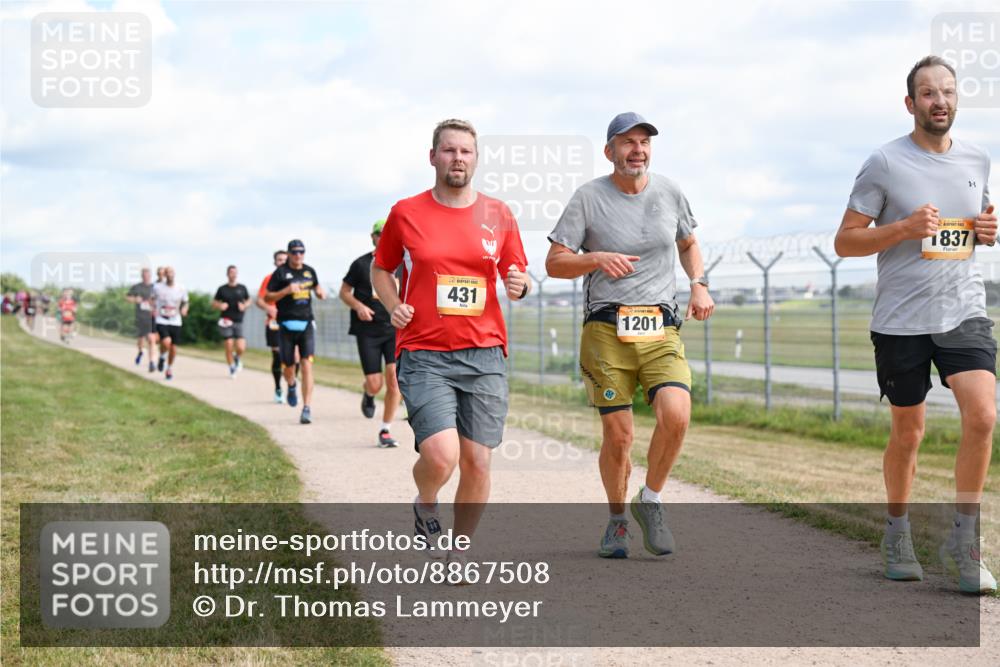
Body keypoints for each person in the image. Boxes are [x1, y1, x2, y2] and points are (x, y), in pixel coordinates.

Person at [834, 56, 997, 594]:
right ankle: (897, 531)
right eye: (928, 93)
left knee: (983, 415)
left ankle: (965, 540)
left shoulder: (978, 158)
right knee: (909, 432)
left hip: (963, 310)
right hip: (903, 320)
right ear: (911, 104)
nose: (940, 101)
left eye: (947, 92)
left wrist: (987, 228)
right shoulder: (884, 162)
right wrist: (902, 228)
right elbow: (846, 241)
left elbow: (973, 222)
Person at [546, 112, 714, 559]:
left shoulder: (670, 192)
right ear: (609, 151)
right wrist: (595, 258)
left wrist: (699, 283)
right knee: (619, 437)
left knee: (677, 414)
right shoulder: (587, 198)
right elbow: (555, 263)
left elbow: (688, 243)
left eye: (644, 142)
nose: (637, 150)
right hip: (605, 328)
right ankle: (617, 521)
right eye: (627, 142)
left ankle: (651, 501)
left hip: (660, 327)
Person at [372, 119, 530, 570]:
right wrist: (391, 304)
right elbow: (381, 269)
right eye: (449, 151)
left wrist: (520, 284)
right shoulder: (406, 213)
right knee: (442, 455)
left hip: (484, 352)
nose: (457, 158)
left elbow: (517, 275)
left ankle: (460, 551)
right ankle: (425, 503)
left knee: (477, 461)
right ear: (433, 157)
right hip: (424, 352)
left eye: (465, 151)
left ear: (475, 159)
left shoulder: (498, 214)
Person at [340, 219, 403, 448]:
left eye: (388, 233)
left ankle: (385, 429)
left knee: (394, 380)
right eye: (379, 233)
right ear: (373, 237)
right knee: (375, 384)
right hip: (368, 331)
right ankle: (368, 394)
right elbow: (344, 292)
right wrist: (358, 306)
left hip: (394, 329)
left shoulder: (403, 264)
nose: (383, 237)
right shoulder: (361, 264)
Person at [265, 240, 327, 424]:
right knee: (288, 367)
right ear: (289, 253)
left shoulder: (309, 270)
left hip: (306, 323)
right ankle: (291, 385)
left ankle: (306, 408)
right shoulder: (280, 273)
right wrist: (285, 290)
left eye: (301, 252)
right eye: (295, 252)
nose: (298, 255)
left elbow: (316, 287)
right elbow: (268, 296)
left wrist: (320, 292)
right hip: (285, 325)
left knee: (307, 364)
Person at [256, 250, 298, 402]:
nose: (282, 262)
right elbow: (259, 300)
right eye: (279, 260)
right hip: (274, 322)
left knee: (295, 356)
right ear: (275, 262)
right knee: (278, 355)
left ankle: (292, 386)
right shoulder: (269, 279)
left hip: (292, 321)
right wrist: (269, 308)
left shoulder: (295, 278)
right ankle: (278, 388)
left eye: (284, 259)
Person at [212, 265, 251, 378]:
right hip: (226, 320)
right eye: (231, 272)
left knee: (241, 347)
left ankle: (237, 358)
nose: (233, 274)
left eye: (235, 272)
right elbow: (214, 303)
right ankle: (231, 367)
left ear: (237, 274)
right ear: (227, 274)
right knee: (229, 344)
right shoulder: (222, 289)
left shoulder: (242, 288)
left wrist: (244, 305)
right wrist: (220, 305)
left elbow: (249, 300)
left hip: (239, 320)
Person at [152, 266, 189, 381]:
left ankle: (169, 368)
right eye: (167, 273)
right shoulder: (157, 287)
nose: (169, 275)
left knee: (173, 348)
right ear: (164, 275)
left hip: (176, 320)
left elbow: (186, 302)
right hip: (161, 319)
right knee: (166, 342)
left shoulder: (181, 288)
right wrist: (152, 308)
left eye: (171, 272)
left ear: (174, 274)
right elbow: (151, 299)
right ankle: (163, 356)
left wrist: (184, 309)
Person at [126, 268, 157, 372]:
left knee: (151, 339)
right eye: (144, 275)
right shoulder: (137, 287)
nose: (146, 276)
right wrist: (135, 299)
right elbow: (127, 297)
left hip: (151, 317)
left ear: (150, 276)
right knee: (141, 340)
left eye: (147, 275)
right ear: (141, 276)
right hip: (140, 317)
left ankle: (152, 362)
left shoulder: (154, 287)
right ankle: (140, 352)